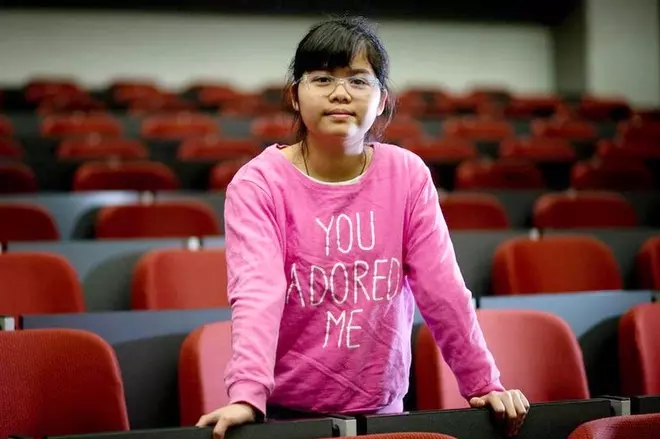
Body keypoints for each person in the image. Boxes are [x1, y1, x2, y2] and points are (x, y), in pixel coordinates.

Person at [197, 15, 529, 439]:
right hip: (285, 419)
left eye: (358, 81)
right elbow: (257, 293)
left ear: (382, 99)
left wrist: (484, 384)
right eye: (321, 79)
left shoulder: (407, 174)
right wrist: (247, 395)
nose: (340, 93)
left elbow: (442, 287)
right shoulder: (258, 183)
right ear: (294, 96)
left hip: (383, 415)